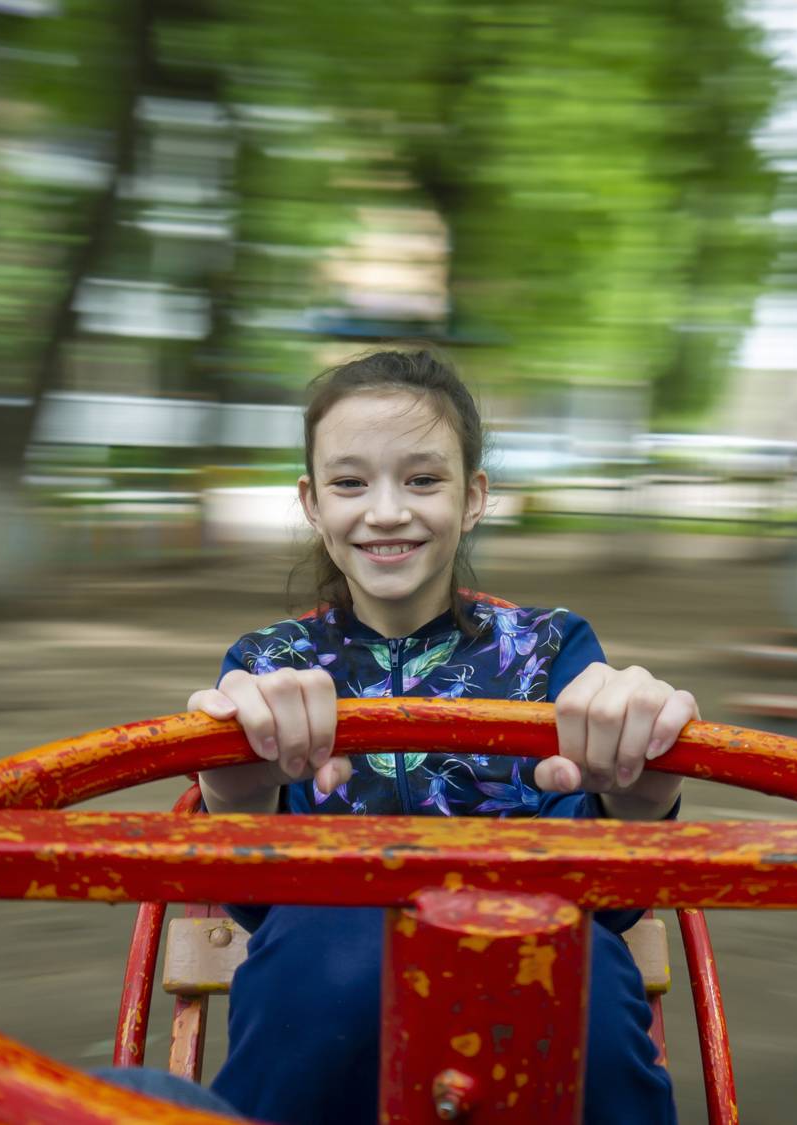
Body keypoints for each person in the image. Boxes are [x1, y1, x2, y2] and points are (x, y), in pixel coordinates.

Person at [187, 348, 694, 1125]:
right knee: (319, 963)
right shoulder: (267, 668)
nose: (387, 510)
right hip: (319, 976)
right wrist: (235, 793)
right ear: (312, 502)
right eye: (350, 482)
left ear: (473, 497)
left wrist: (640, 792)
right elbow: (258, 905)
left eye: (423, 479)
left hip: (543, 959)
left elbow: (614, 904)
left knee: (578, 970)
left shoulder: (551, 649)